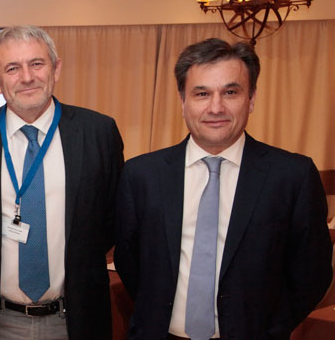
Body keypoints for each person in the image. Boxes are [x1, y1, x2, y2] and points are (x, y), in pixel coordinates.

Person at [113, 38, 332, 339]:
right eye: (201, 93)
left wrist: (271, 329)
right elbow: (130, 264)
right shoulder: (141, 176)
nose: (216, 107)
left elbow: (312, 273)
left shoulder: (292, 176)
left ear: (252, 99)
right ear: (183, 101)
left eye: (230, 92)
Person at [0, 25, 124, 340]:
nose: (27, 77)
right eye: (12, 68)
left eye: (37, 64)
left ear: (56, 68)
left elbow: (113, 224)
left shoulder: (98, 133)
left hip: (75, 321)